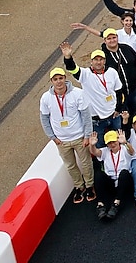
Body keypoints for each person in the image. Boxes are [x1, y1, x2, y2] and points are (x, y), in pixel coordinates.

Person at [39, 67, 95, 204]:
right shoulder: (46, 98)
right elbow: (44, 118)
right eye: (55, 79)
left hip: (79, 137)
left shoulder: (77, 93)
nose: (59, 82)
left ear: (65, 78)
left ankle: (90, 186)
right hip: (61, 140)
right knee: (70, 165)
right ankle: (79, 186)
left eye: (61, 78)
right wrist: (52, 137)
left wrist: (87, 136)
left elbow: (86, 116)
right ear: (51, 81)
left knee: (86, 163)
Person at [60, 43, 123, 147]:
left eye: (101, 59)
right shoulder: (85, 74)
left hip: (114, 116)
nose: (98, 62)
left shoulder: (112, 72)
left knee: (118, 143)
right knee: (100, 146)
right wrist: (68, 57)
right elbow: (72, 68)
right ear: (91, 61)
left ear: (104, 61)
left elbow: (119, 91)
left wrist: (118, 108)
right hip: (96, 119)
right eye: (96, 60)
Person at [88, 130, 134, 221]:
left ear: (118, 140)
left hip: (124, 182)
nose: (112, 145)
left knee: (124, 173)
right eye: (109, 143)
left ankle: (117, 203)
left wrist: (125, 142)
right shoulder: (105, 151)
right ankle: (100, 204)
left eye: (114, 141)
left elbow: (132, 152)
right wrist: (92, 145)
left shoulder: (124, 148)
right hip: (111, 182)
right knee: (99, 174)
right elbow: (95, 152)